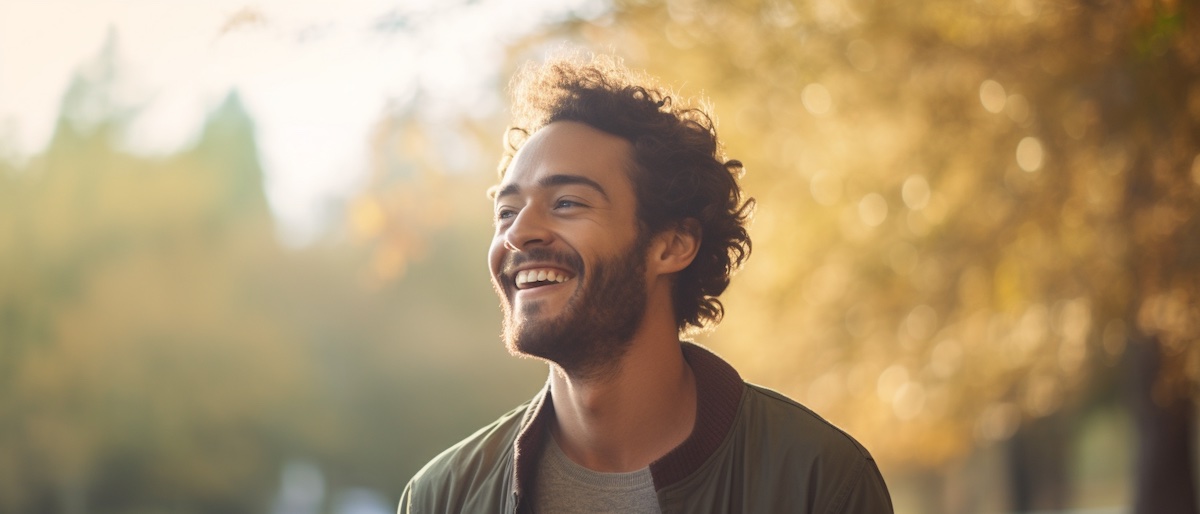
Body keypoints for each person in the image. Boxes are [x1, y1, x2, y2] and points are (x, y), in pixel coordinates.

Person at [399, 54, 893, 514]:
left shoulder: (819, 481)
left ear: (672, 245)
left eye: (567, 202)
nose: (518, 232)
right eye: (506, 212)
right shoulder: (441, 497)